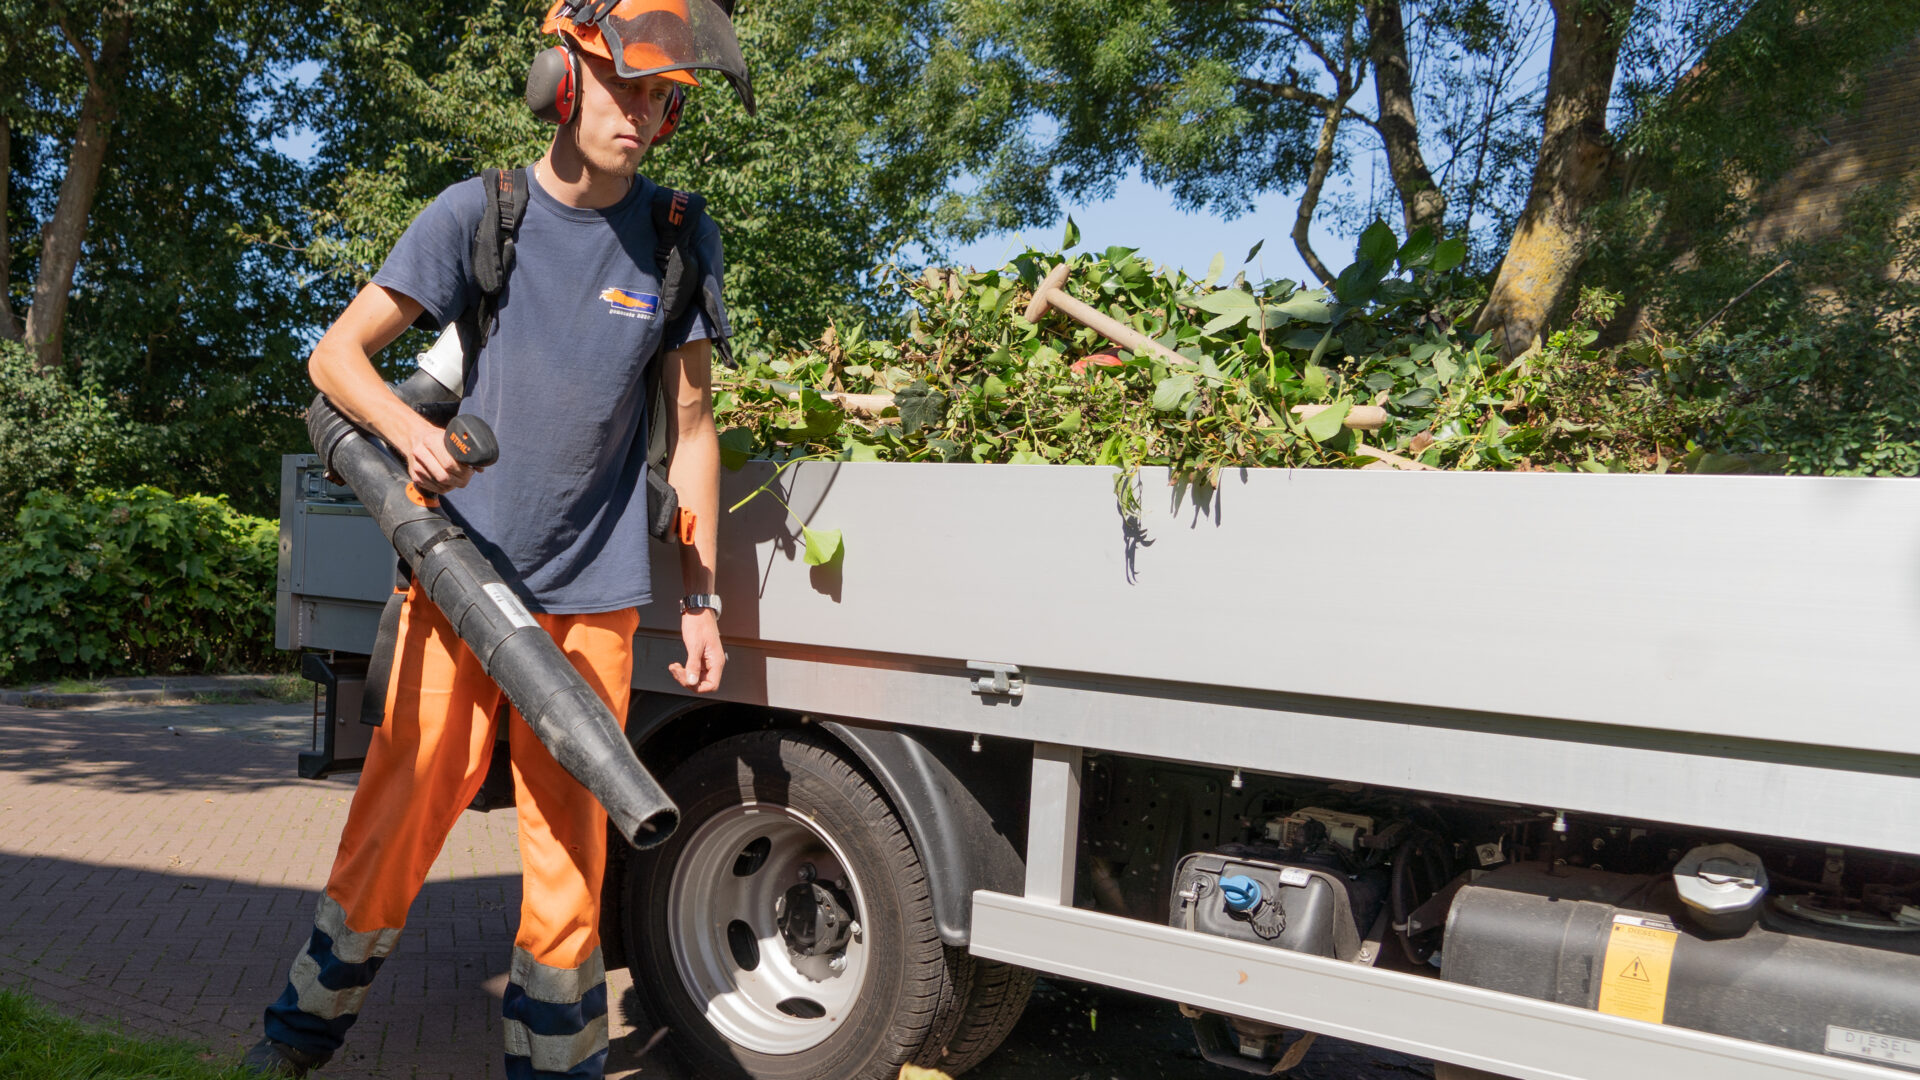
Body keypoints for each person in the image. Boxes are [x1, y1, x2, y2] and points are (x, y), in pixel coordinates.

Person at [243, 1, 749, 1075]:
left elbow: (696, 427)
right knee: (394, 826)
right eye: (621, 87)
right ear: (561, 80)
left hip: (594, 599)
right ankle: (296, 1039)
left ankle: (555, 1067)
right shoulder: (481, 212)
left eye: (662, 100)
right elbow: (335, 359)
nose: (641, 115)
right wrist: (409, 435)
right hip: (461, 586)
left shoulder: (676, 235)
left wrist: (703, 598)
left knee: (570, 861)